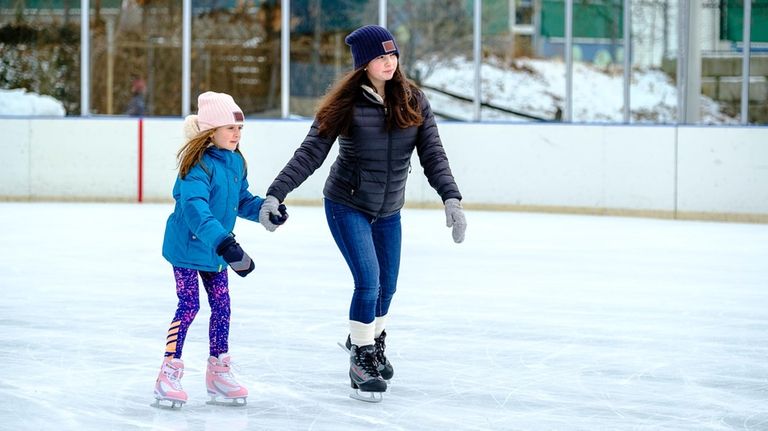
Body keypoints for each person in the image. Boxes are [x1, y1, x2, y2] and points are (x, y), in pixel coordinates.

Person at [257, 25, 466, 403]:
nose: (389, 62)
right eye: (380, 57)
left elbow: (433, 154)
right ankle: (361, 357)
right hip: (347, 204)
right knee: (368, 280)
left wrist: (450, 198)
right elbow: (310, 153)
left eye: (393, 55)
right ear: (363, 63)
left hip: (389, 210)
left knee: (389, 286)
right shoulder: (345, 105)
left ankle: (371, 341)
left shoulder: (414, 100)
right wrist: (275, 193)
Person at [153, 91, 286, 409]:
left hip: (216, 251)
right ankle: (168, 371)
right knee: (188, 306)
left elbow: (240, 200)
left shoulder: (235, 161)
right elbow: (196, 210)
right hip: (187, 248)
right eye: (230, 128)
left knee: (222, 307)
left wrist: (265, 210)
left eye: (240, 129)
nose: (237, 134)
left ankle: (218, 371)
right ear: (210, 131)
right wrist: (225, 243)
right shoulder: (195, 166)